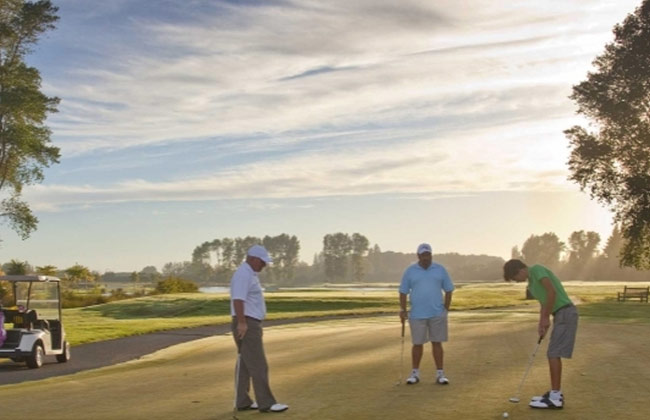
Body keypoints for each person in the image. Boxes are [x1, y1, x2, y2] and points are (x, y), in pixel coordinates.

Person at [503, 259, 579, 410]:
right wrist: (542, 321)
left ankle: (556, 397)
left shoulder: (536, 269)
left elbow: (552, 292)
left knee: (553, 353)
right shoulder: (531, 285)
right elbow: (544, 302)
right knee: (553, 353)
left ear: (520, 270)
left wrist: (546, 317)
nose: (516, 281)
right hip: (559, 314)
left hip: (566, 312)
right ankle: (555, 393)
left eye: (515, 277)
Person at [230, 245, 288, 413]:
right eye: (263, 262)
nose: (264, 265)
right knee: (258, 364)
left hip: (248, 322)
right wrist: (242, 323)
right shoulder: (243, 274)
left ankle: (242, 401)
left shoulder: (249, 273)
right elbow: (238, 300)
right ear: (254, 259)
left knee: (246, 364)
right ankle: (267, 403)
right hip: (247, 323)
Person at [399, 243, 455, 385]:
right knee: (417, 344)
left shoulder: (440, 269)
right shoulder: (410, 271)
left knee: (437, 343)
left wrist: (446, 309)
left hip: (437, 313)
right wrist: (403, 309)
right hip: (417, 314)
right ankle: (415, 373)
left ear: (431, 255)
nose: (426, 258)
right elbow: (403, 291)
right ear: (418, 256)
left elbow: (449, 289)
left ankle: (440, 374)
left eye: (428, 254)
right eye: (423, 255)